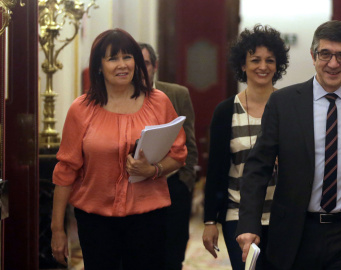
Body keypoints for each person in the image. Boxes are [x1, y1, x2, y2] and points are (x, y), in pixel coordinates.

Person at [236, 20, 341, 270]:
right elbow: (258, 167)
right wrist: (249, 225)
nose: (333, 64)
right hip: (296, 233)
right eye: (325, 54)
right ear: (313, 55)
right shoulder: (283, 103)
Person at [50, 28, 187, 270]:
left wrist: (152, 170)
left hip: (148, 217)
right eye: (113, 58)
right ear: (99, 66)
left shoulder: (158, 102)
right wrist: (57, 228)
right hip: (95, 221)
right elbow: (65, 170)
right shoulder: (81, 109)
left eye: (127, 57)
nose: (122, 65)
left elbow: (178, 154)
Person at [202, 24, 289, 270]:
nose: (263, 66)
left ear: (278, 65)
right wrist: (210, 221)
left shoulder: (290, 108)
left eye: (270, 60)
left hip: (283, 217)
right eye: (255, 60)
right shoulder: (226, 111)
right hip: (237, 217)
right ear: (243, 64)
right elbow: (216, 170)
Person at [139, 42, 198, 270]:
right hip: (138, 189)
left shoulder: (176, 94)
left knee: (172, 256)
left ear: (155, 65)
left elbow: (190, 145)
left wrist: (184, 184)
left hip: (173, 187)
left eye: (145, 63)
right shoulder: (121, 97)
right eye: (136, 63)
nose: (141, 69)